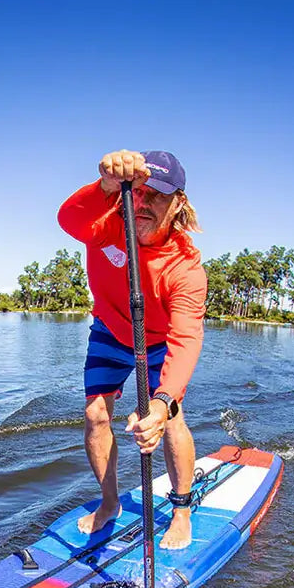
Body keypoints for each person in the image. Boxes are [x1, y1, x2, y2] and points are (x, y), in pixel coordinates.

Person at [57, 150, 206, 549]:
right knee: (95, 415)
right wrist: (106, 185)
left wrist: (158, 406)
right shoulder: (104, 224)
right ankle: (110, 503)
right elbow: (68, 219)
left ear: (178, 203)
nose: (142, 203)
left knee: (170, 418)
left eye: (156, 195)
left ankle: (181, 510)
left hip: (157, 341)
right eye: (137, 192)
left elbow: (186, 338)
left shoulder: (186, 268)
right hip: (109, 328)